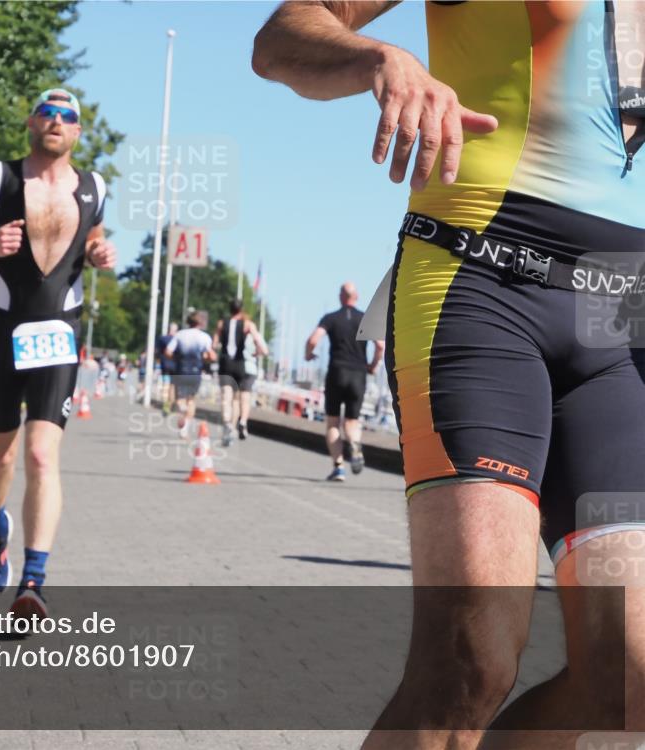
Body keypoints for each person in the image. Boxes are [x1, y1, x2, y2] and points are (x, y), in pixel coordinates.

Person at [254, 2, 644, 748]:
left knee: (628, 680)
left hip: (621, 321)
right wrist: (380, 59)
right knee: (470, 662)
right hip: (480, 285)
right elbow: (281, 38)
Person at [0, 87, 116, 620]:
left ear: (77, 131)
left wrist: (99, 252)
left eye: (67, 116)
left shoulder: (94, 188)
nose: (56, 121)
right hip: (2, 327)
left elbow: (93, 240)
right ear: (31, 122)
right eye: (47, 113)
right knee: (1, 455)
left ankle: (33, 581)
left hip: (58, 331)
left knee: (41, 454)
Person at [304, 283, 384, 481]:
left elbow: (313, 339)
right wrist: (373, 365)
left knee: (333, 422)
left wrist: (308, 354)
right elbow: (380, 346)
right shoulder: (365, 318)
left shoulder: (331, 318)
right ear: (356, 297)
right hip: (358, 374)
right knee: (352, 421)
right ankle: (355, 446)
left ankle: (338, 467)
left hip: (337, 372)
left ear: (341, 296)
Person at [214, 298, 270, 446]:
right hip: (240, 363)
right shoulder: (247, 324)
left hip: (225, 362)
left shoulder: (222, 323)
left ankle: (227, 423)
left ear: (230, 309)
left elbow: (214, 344)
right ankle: (240, 423)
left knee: (226, 397)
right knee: (238, 399)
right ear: (241, 309)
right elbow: (260, 344)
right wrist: (258, 351)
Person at [164, 311, 216, 439]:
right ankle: (185, 429)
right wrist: (204, 359)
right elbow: (212, 356)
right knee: (191, 400)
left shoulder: (180, 334)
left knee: (180, 400)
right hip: (196, 372)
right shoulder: (204, 337)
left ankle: (182, 409)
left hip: (181, 370)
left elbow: (168, 352)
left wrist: (176, 358)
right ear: (200, 323)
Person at [156, 323, 180, 414]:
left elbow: (157, 352)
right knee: (173, 386)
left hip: (165, 365)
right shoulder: (178, 339)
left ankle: (166, 404)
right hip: (176, 366)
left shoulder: (162, 339)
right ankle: (172, 404)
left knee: (166, 385)